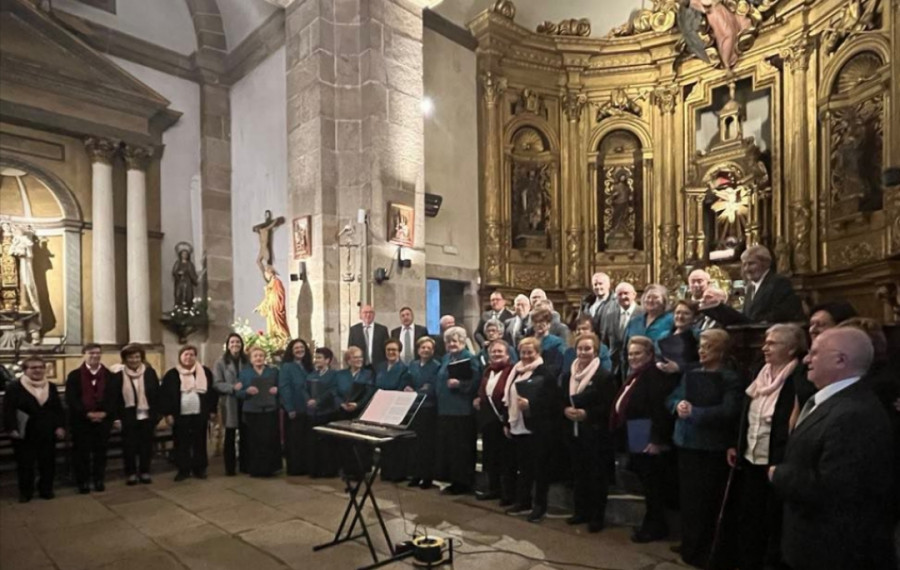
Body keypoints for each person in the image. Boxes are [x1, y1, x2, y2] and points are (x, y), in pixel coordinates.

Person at [770, 328, 895, 570]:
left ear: (840, 360)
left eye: (815, 353)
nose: (806, 359)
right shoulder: (834, 402)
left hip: (833, 550)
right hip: (811, 541)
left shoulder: (853, 413)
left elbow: (835, 488)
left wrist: (779, 474)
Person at [727, 324, 807, 570]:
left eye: (772, 343)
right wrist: (736, 443)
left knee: (774, 520)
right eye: (765, 342)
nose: (765, 347)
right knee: (749, 517)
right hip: (751, 458)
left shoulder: (799, 380)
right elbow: (746, 412)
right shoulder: (758, 373)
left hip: (778, 461)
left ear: (792, 348)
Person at [666, 329, 742, 569]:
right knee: (688, 499)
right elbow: (672, 398)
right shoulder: (692, 373)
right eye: (700, 346)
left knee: (705, 501)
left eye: (707, 347)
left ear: (720, 351)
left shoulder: (730, 378)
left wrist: (696, 413)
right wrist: (678, 405)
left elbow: (730, 411)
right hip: (685, 442)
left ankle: (703, 549)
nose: (701, 350)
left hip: (709, 446)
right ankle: (689, 542)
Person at [609, 337, 678, 543]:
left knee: (652, 485)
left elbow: (659, 408)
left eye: (637, 353)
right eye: (630, 354)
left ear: (649, 354)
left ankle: (655, 526)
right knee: (646, 482)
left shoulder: (654, 374)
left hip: (648, 434)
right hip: (637, 431)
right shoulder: (638, 375)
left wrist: (656, 439)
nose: (632, 357)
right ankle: (652, 523)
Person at [562, 333, 617, 533]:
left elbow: (609, 406)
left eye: (588, 349)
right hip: (574, 433)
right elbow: (561, 399)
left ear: (595, 351)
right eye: (580, 349)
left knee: (596, 477)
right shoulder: (568, 374)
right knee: (579, 474)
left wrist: (588, 414)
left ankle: (596, 517)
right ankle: (580, 512)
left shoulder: (604, 376)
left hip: (595, 434)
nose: (583, 352)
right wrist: (564, 410)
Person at [503, 337, 559, 523]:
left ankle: (539, 506)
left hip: (537, 428)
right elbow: (509, 398)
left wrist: (531, 405)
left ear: (538, 353)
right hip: (518, 425)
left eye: (530, 352)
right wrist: (506, 422)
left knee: (539, 470)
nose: (526, 356)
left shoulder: (545, 373)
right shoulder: (516, 371)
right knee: (523, 468)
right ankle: (523, 501)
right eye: (523, 352)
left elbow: (553, 401)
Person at [3, 356, 65, 502]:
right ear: (25, 370)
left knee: (47, 462)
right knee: (25, 464)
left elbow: (57, 409)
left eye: (40, 367)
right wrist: (12, 428)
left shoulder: (51, 386)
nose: (37, 370)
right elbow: (8, 410)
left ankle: (46, 489)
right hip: (24, 432)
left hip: (47, 431)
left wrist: (60, 426)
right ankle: (26, 491)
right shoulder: (14, 387)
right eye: (33, 367)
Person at [65, 343, 121, 493]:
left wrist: (105, 413)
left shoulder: (110, 375)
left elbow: (114, 397)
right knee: (81, 452)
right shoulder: (74, 375)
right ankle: (82, 481)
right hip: (81, 421)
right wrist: (87, 413)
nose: (95, 356)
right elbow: (72, 399)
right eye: (91, 353)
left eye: (97, 353)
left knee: (100, 452)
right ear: (84, 355)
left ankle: (98, 479)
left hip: (103, 421)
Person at [435, 326, 481, 495]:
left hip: (462, 410)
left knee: (461, 449)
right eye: (448, 341)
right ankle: (453, 480)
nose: (451, 344)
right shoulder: (447, 357)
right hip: (445, 409)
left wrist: (460, 385)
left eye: (455, 340)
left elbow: (475, 381)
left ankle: (464, 483)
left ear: (462, 341)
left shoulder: (469, 358)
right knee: (450, 449)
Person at [160, 345, 218, 481]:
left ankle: (200, 468)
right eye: (186, 354)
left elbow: (212, 393)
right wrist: (168, 414)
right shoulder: (172, 374)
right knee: (181, 442)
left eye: (192, 355)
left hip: (200, 413)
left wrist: (212, 410)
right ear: (180, 357)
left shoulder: (204, 372)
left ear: (195, 357)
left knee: (200, 441)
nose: (189, 357)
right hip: (180, 414)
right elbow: (165, 395)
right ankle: (183, 469)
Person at [474, 339, 516, 504]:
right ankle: (493, 489)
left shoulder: (512, 371)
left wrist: (507, 421)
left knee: (506, 459)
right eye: (493, 351)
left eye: (500, 351)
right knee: (490, 457)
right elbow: (483, 390)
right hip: (488, 420)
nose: (496, 354)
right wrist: (478, 398)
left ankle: (508, 494)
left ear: (507, 354)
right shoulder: (487, 371)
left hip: (502, 419)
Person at [115, 344, 161, 485]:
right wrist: (117, 418)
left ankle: (145, 471)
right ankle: (131, 473)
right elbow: (114, 397)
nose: (134, 360)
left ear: (141, 358)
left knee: (146, 445)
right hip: (128, 416)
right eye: (131, 357)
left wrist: (157, 415)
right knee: (129, 446)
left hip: (146, 415)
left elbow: (156, 394)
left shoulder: (149, 372)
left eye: (137, 357)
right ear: (125, 359)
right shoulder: (118, 374)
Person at [235, 347, 281, 477]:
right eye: (255, 356)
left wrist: (276, 390)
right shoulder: (245, 373)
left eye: (261, 355)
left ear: (265, 357)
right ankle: (255, 469)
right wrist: (246, 391)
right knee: (254, 441)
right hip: (252, 411)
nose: (258, 358)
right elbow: (237, 392)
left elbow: (280, 387)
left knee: (268, 440)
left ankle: (269, 469)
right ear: (251, 359)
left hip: (269, 410)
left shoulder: (273, 372)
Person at [405, 337, 441, 489]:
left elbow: (431, 388)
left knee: (427, 445)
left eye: (429, 348)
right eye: (423, 347)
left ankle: (427, 477)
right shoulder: (413, 364)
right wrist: (407, 387)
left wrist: (417, 392)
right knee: (415, 444)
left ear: (433, 351)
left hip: (428, 408)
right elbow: (408, 381)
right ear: (418, 349)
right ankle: (415, 474)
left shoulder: (436, 366)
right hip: (413, 408)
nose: (426, 350)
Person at [374, 339, 412, 482]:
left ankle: (397, 473)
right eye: (388, 350)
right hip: (381, 407)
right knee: (384, 442)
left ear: (399, 352)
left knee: (395, 443)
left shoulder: (404, 368)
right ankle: (386, 471)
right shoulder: (380, 367)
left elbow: (400, 388)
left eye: (394, 350)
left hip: (395, 408)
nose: (391, 352)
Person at [213, 333, 250, 476]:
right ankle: (230, 467)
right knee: (230, 434)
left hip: (245, 400)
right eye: (232, 342)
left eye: (238, 342)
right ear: (228, 345)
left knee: (245, 434)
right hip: (230, 402)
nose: (235, 345)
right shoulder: (220, 362)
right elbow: (216, 383)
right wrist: (232, 388)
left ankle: (245, 464)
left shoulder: (246, 361)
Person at [740, 245, 804, 323]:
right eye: (744, 265)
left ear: (766, 263)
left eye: (751, 264)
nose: (746, 269)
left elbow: (784, 313)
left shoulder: (779, 283)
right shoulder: (750, 288)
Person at [280, 338, 312, 476]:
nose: (299, 350)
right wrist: (290, 408)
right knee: (295, 440)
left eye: (302, 348)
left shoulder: (309, 366)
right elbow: (284, 387)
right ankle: (295, 468)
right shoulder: (287, 367)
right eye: (296, 348)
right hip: (295, 408)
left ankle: (306, 466)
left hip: (308, 409)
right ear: (291, 351)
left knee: (305, 439)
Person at [306, 347, 340, 478]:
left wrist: (319, 401)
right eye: (316, 357)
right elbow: (305, 389)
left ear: (328, 360)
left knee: (328, 443)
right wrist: (308, 400)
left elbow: (332, 390)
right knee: (314, 443)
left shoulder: (333, 375)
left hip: (327, 412)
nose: (316, 360)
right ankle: (316, 470)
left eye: (320, 358)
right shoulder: (311, 375)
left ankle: (329, 470)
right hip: (313, 413)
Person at [602, 282, 644, 380]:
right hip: (614, 368)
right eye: (619, 294)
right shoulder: (609, 316)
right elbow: (605, 340)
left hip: (635, 366)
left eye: (626, 293)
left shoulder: (643, 314)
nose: (623, 296)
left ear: (634, 295)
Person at [623, 284, 674, 354]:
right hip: (634, 363)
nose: (650, 300)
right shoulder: (635, 321)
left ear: (664, 300)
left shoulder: (672, 320)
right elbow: (625, 349)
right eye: (648, 297)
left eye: (655, 297)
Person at [531, 307, 566, 375]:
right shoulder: (528, 341)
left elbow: (557, 366)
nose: (538, 325)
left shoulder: (557, 342)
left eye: (541, 322)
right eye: (536, 322)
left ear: (548, 324)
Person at [580, 272, 615, 336]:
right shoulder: (587, 302)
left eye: (600, 284)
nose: (598, 287)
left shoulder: (615, 303)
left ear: (608, 285)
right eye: (595, 284)